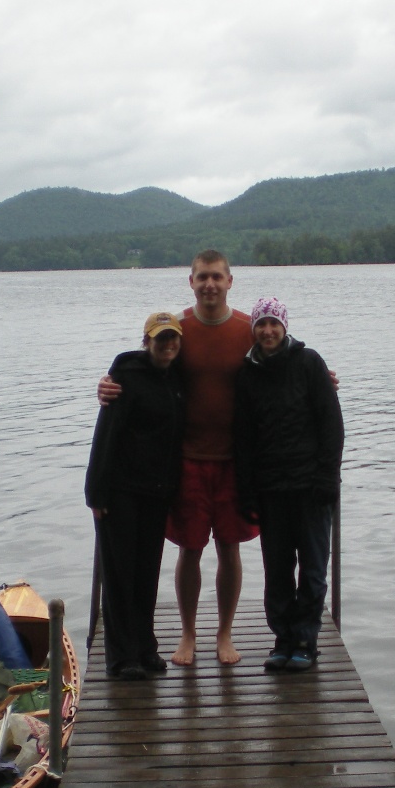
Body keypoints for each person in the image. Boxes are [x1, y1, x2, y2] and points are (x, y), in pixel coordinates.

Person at [98, 250, 259, 666]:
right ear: (191, 281)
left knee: (229, 547)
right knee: (189, 548)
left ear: (229, 281)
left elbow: (283, 363)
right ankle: (187, 635)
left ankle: (224, 634)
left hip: (234, 461)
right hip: (185, 459)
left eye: (217, 277)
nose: (209, 284)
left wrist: (323, 378)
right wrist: (108, 385)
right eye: (202, 277)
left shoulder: (247, 330)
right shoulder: (179, 330)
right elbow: (144, 365)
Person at [233, 297, 344, 672]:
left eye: (273, 324)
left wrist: (328, 476)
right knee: (277, 571)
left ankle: (305, 641)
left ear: (284, 327)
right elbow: (243, 438)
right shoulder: (247, 374)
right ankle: (281, 638)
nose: (267, 331)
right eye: (261, 324)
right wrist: (246, 490)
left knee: (313, 570)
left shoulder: (309, 362)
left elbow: (331, 424)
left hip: (312, 488)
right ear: (254, 330)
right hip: (270, 489)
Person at [85, 311, 186, 681]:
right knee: (119, 576)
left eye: (173, 338)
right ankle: (121, 657)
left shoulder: (177, 376)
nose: (168, 345)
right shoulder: (125, 376)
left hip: (157, 494)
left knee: (146, 574)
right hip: (120, 493)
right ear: (147, 341)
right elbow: (106, 434)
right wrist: (95, 493)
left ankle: (146, 648)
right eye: (161, 339)